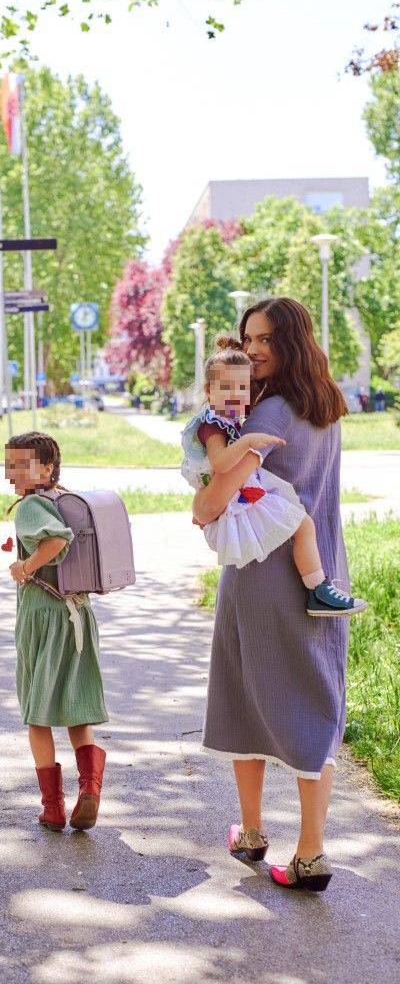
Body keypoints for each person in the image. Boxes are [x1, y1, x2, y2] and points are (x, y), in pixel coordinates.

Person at [193, 297, 359, 893]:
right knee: (313, 696)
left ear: (292, 338)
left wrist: (201, 501)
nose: (254, 349)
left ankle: (265, 835)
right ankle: (302, 846)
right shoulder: (327, 406)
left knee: (244, 691)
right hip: (321, 570)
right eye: (248, 338)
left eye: (265, 339)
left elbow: (216, 499)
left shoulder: (270, 415)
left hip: (262, 572)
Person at [182, 336, 367, 617]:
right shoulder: (212, 425)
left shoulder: (232, 416)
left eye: (242, 388)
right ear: (209, 391)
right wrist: (247, 442)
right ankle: (317, 589)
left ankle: (317, 588)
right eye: (227, 388)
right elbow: (220, 464)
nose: (236, 395)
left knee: (301, 523)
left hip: (238, 491)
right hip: (237, 493)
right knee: (303, 524)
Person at [4, 431, 108, 833]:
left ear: (47, 468)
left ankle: (52, 808)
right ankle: (90, 788)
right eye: (10, 464)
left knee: (38, 715)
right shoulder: (64, 500)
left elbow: (56, 542)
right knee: (77, 712)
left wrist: (25, 567)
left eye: (23, 464)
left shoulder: (31, 506)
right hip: (78, 613)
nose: (14, 472)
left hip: (44, 615)